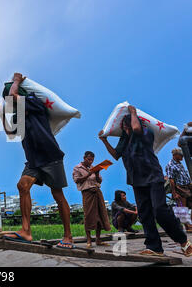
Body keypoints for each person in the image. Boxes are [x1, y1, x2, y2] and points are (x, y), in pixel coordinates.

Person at [99, 104, 192, 257]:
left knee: (160, 211)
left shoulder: (145, 133)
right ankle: (154, 247)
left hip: (153, 177)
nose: (125, 128)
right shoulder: (124, 140)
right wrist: (104, 140)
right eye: (123, 126)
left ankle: (184, 242)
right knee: (144, 214)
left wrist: (133, 112)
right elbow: (116, 155)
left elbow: (136, 129)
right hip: (136, 180)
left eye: (126, 125)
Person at [2, 73, 73, 249]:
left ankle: (68, 236)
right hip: (33, 160)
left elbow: (14, 95)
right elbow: (11, 134)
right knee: (22, 186)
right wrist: (2, 117)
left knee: (57, 194)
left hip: (50, 156)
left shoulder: (34, 103)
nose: (9, 102)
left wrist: (17, 80)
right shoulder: (18, 116)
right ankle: (26, 231)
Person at [72, 151, 111, 248]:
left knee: (100, 215)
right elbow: (77, 180)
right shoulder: (77, 168)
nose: (90, 161)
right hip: (87, 193)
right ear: (84, 158)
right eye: (88, 159)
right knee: (88, 215)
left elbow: (99, 181)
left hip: (97, 192)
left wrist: (97, 174)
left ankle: (98, 239)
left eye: (92, 160)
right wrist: (89, 174)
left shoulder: (93, 167)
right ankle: (89, 240)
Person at [165, 148, 192, 232]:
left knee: (187, 206)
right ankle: (188, 226)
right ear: (175, 155)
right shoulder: (170, 165)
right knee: (181, 208)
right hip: (179, 187)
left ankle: (189, 224)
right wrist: (174, 192)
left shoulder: (179, 163)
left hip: (187, 187)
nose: (182, 157)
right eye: (181, 155)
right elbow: (171, 179)